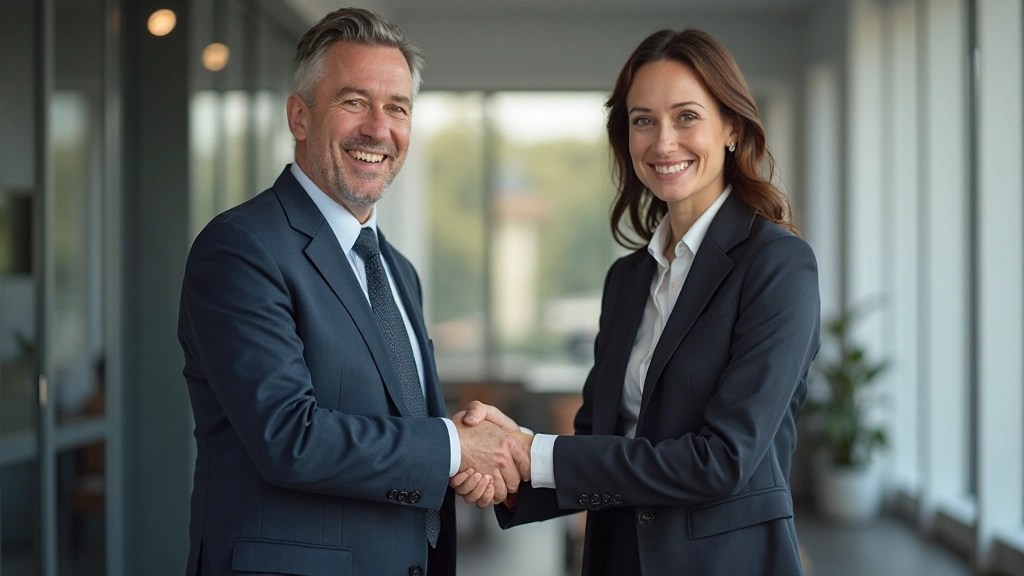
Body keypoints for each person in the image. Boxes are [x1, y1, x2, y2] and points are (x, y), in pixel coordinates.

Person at [452, 28, 820, 576]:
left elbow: (722, 462)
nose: (662, 142)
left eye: (686, 116)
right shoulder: (627, 279)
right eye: (642, 120)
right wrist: (509, 469)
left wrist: (533, 452)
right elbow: (603, 443)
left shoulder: (778, 265)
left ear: (732, 128)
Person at [177, 8, 526, 576]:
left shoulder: (396, 269)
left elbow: (409, 431)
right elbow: (289, 436)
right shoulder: (241, 248)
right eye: (353, 101)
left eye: (397, 108)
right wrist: (456, 448)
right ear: (300, 116)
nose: (378, 129)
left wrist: (472, 463)